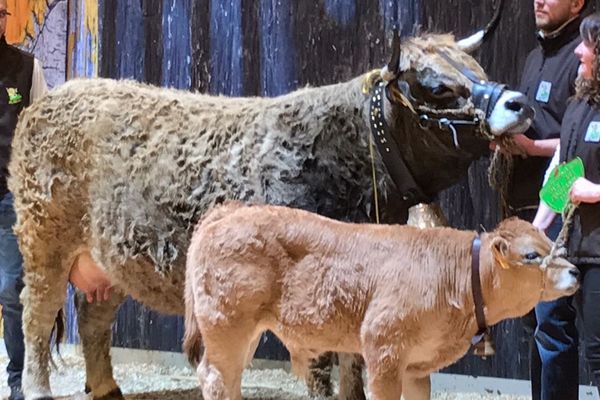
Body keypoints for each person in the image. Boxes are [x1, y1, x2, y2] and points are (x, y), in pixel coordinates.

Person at [499, 1, 586, 399]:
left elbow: (578, 144)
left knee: (552, 325)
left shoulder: (581, 59)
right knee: (533, 325)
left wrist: (531, 148)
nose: (539, 0)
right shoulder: (534, 56)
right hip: (524, 211)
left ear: (578, 4)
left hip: (559, 216)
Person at [533, 11, 600, 393]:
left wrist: (594, 191)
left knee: (598, 351)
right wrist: (539, 227)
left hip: (598, 252)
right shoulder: (578, 105)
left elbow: (584, 182)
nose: (578, 51)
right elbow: (565, 169)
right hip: (571, 244)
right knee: (550, 327)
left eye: (588, 45)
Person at [0, 3, 48, 399]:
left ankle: (20, 379)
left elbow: (44, 138)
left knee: (12, 289)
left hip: (10, 198)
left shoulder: (27, 68)